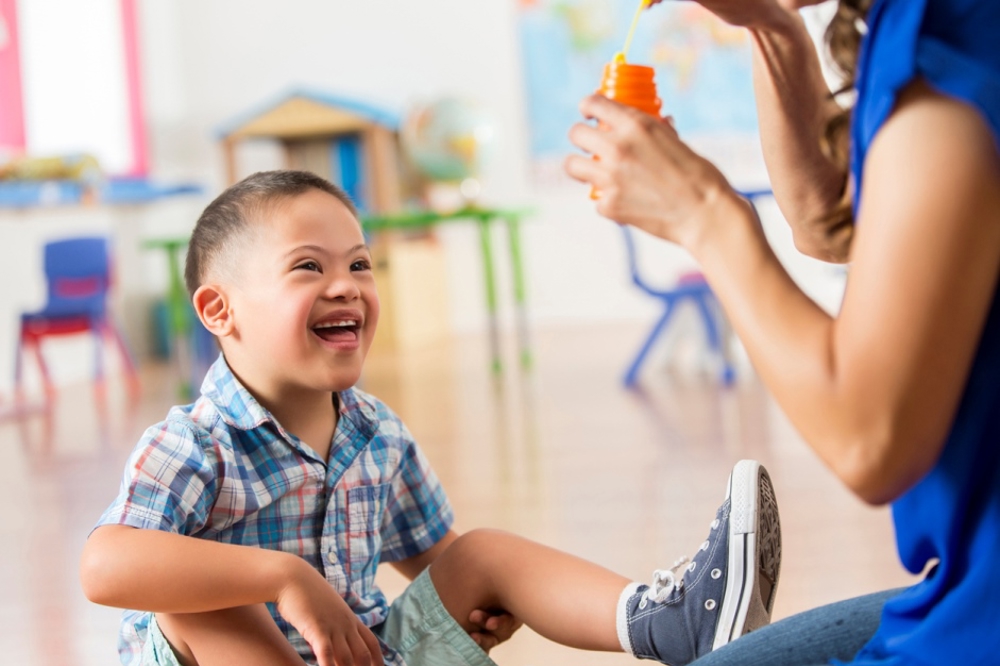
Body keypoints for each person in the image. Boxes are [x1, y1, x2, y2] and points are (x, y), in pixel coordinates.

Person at [79, 170, 782, 666]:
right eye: (307, 267)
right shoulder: (193, 444)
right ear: (219, 311)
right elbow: (105, 566)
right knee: (193, 602)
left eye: (359, 264)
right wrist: (282, 579)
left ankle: (671, 622)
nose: (345, 285)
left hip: (365, 654)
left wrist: (489, 600)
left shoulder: (375, 433)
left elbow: (434, 555)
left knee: (479, 552)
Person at [565, 0, 1000, 664]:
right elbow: (832, 222)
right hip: (970, 578)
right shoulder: (919, 28)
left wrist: (702, 215)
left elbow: (870, 439)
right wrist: (772, 29)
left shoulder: (958, 57)